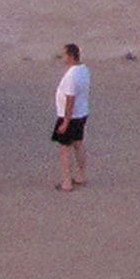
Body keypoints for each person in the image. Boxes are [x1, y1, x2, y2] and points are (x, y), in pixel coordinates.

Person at [53, 43, 90, 190]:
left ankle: (67, 181)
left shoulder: (71, 75)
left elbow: (70, 99)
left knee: (64, 148)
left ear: (71, 56)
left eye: (64, 55)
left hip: (70, 116)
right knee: (78, 144)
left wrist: (65, 122)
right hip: (81, 113)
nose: (63, 58)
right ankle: (81, 176)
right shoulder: (84, 70)